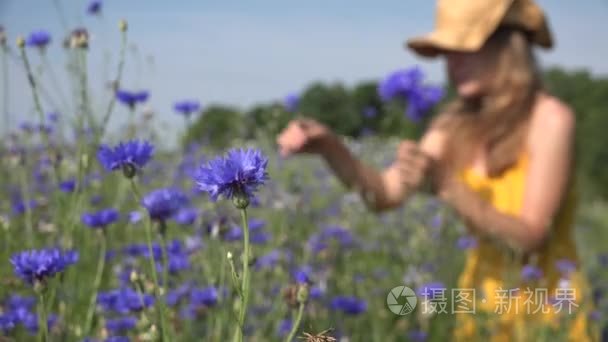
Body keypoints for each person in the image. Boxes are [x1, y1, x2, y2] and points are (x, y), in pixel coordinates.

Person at [276, 0, 598, 340]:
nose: (451, 61)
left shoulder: (550, 120)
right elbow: (384, 194)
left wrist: (447, 183)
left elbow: (531, 237)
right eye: (445, 50)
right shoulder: (453, 124)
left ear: (508, 46)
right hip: (481, 303)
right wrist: (331, 147)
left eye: (463, 47)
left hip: (547, 309)